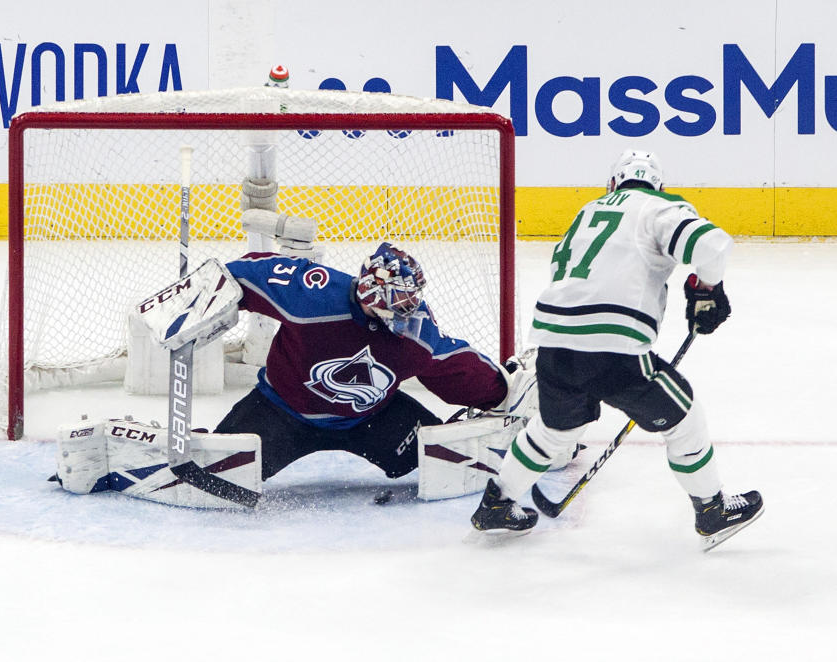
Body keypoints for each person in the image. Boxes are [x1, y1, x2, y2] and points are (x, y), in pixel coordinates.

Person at [470, 148, 763, 550]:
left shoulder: (588, 211)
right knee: (685, 417)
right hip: (612, 345)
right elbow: (711, 246)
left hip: (552, 339)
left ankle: (497, 503)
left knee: (556, 430)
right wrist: (708, 289)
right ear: (659, 186)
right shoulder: (660, 207)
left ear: (611, 184)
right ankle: (712, 510)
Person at [213, 242, 519, 482]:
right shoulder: (313, 297)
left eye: (409, 300)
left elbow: (456, 366)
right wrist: (204, 293)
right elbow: (245, 276)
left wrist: (504, 393)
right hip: (280, 410)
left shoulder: (417, 335)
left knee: (442, 461)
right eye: (398, 301)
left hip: (373, 417)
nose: (407, 310)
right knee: (219, 470)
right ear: (372, 293)